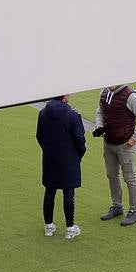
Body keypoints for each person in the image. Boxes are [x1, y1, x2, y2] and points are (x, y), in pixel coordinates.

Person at [93, 84, 136, 227]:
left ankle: (135, 211)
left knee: (130, 178)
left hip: (125, 145)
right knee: (112, 175)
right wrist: (99, 126)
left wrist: (134, 138)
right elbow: (100, 112)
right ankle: (117, 206)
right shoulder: (104, 92)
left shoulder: (131, 96)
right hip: (109, 142)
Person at [36, 94, 86, 240]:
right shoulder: (72, 115)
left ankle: (48, 226)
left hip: (50, 157)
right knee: (68, 191)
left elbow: (39, 136)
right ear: (64, 96)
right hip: (68, 158)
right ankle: (70, 229)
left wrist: (47, 149)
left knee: (49, 190)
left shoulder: (43, 113)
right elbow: (79, 138)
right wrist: (79, 153)